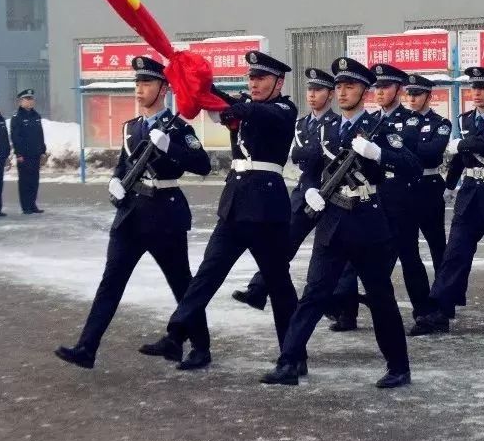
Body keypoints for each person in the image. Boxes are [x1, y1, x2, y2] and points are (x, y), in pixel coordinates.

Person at [261, 57, 416, 389]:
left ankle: (399, 367)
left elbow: (411, 165)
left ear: (364, 91)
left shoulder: (381, 128)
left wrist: (378, 154)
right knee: (313, 294)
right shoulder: (327, 129)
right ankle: (289, 361)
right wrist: (313, 190)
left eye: (350, 86)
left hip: (367, 222)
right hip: (332, 221)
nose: (343, 92)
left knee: (380, 298)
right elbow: (312, 168)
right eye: (340, 86)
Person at [142, 52, 298, 371]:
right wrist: (195, 83)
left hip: (266, 209)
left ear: (278, 82)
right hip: (235, 204)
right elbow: (218, 100)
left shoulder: (284, 109)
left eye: (262, 78)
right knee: (206, 275)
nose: (254, 83)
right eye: (251, 78)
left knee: (279, 285)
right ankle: (176, 335)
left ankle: (293, 357)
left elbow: (255, 112)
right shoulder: (243, 107)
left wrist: (233, 107)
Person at [55, 57, 212, 370]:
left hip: (165, 214)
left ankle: (200, 347)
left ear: (164, 88)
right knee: (110, 282)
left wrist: (170, 147)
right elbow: (124, 165)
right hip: (131, 216)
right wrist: (115, 180)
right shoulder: (131, 128)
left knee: (181, 283)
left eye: (147, 83)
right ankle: (87, 347)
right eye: (137, 83)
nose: (140, 90)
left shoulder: (179, 128)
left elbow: (203, 166)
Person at [410, 67, 484, 336]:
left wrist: (462, 144)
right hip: (470, 195)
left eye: (483, 87)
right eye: (474, 87)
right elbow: (462, 159)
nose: (477, 92)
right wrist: (450, 185)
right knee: (455, 255)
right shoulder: (466, 119)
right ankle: (440, 311)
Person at [330, 63, 433, 328]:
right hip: (373, 199)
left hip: (400, 197)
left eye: (386, 87)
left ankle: (424, 313)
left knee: (408, 256)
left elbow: (410, 162)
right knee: (355, 256)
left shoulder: (410, 122)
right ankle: (347, 312)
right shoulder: (372, 120)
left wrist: (380, 155)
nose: (379, 92)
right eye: (377, 87)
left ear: (399, 90)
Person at [232, 68, 339, 311]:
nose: (312, 95)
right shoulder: (300, 124)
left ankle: (342, 309)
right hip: (305, 192)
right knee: (284, 243)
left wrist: (313, 154)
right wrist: (314, 155)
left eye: (319, 90)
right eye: (310, 90)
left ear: (330, 94)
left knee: (334, 250)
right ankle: (258, 289)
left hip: (332, 193)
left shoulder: (337, 123)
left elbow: (320, 157)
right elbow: (298, 155)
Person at [405, 74, 451, 272]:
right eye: (410, 94)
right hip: (405, 187)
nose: (412, 99)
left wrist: (403, 147)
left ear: (428, 96)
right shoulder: (402, 120)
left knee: (436, 242)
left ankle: (443, 293)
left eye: (417, 94)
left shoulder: (440, 123)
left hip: (429, 185)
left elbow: (434, 152)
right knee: (405, 244)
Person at [11, 90, 46, 214]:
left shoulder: (36, 116)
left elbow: (40, 134)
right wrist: (19, 153)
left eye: (31, 98)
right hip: (24, 155)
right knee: (25, 181)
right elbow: (16, 137)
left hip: (35, 153)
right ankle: (26, 206)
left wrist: (42, 150)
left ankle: (33, 204)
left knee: (34, 180)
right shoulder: (17, 117)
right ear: (21, 101)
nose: (30, 101)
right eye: (27, 99)